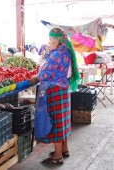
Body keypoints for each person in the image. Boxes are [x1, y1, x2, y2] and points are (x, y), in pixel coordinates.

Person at [30, 28, 80, 165]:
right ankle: (64, 149)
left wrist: (34, 78)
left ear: (57, 40)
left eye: (51, 39)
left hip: (54, 91)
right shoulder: (66, 51)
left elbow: (45, 74)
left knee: (56, 122)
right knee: (63, 121)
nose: (49, 41)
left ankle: (57, 156)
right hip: (63, 90)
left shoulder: (57, 54)